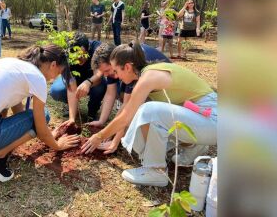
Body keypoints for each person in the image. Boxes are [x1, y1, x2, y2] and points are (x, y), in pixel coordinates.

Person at [81, 41, 217, 187]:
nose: (117, 76)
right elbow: (128, 111)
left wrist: (99, 136)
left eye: (116, 71)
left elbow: (126, 116)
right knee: (141, 125)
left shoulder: (148, 78)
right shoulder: (148, 72)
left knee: (148, 111)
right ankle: (193, 146)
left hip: (213, 120)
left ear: (127, 67)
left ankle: (156, 170)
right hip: (202, 118)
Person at [0, 44, 80, 182]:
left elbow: (17, 109)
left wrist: (39, 132)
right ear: (53, 65)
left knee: (29, 118)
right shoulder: (37, 78)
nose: (54, 78)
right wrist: (57, 145)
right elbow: (38, 123)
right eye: (57, 73)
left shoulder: (11, 63)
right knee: (44, 115)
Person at [83, 42, 171, 154]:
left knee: (138, 124)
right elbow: (110, 94)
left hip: (172, 100)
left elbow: (127, 110)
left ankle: (165, 142)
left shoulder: (133, 67)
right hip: (161, 95)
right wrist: (101, 121)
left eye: (108, 71)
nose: (106, 75)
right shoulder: (120, 64)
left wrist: (115, 141)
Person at [49, 32, 106, 123]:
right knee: (56, 90)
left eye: (82, 55)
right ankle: (72, 108)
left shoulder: (97, 48)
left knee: (99, 88)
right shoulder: (65, 54)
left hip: (93, 81)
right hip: (75, 79)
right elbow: (71, 84)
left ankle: (92, 112)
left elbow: (99, 74)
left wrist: (88, 82)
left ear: (88, 49)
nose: (79, 60)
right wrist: (72, 118)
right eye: (76, 57)